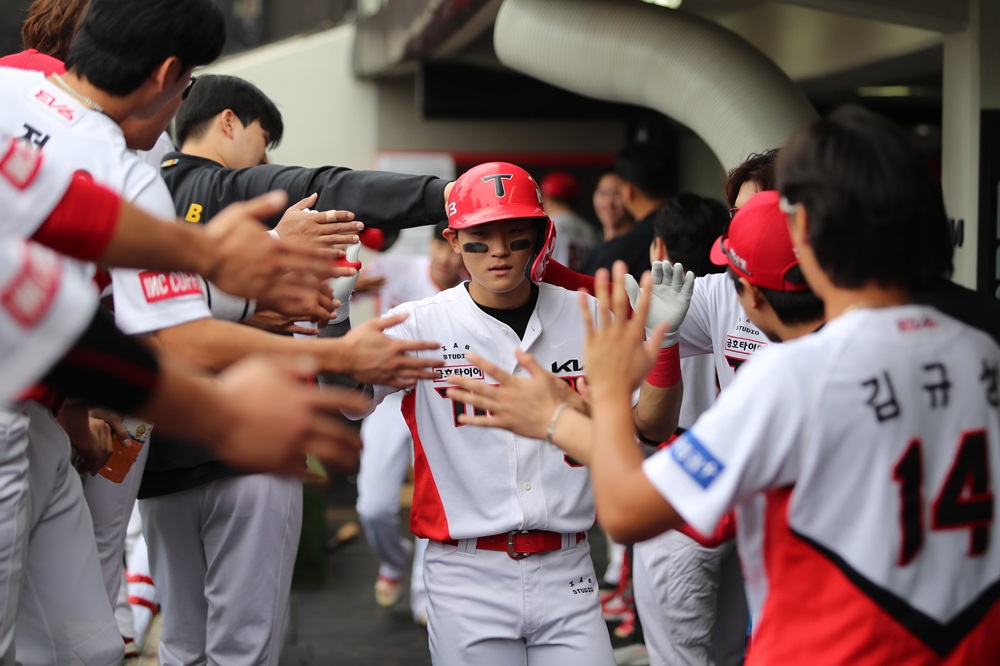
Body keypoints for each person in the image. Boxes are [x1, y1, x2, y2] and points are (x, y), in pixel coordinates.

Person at [350, 161, 679, 666]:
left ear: (540, 234)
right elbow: (350, 401)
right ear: (454, 240)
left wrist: (666, 343)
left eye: (515, 234)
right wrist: (332, 325)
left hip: (567, 563)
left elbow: (650, 426)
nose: (500, 250)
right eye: (482, 235)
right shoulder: (419, 324)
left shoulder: (588, 313)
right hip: (466, 572)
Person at [355, 221, 465, 624]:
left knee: (436, 496)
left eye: (456, 249)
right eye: (443, 245)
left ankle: (424, 595)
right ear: (436, 245)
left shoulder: (474, 286)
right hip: (389, 395)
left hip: (438, 398)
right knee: (373, 507)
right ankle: (393, 561)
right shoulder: (397, 267)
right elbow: (342, 291)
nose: (448, 257)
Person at [581, 143, 675, 277]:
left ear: (628, 189)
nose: (609, 203)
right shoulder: (681, 222)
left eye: (616, 192)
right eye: (602, 193)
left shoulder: (629, 245)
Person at [540, 170, 598, 272]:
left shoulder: (545, 227)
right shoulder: (591, 230)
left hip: (556, 285)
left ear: (548, 199)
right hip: (585, 285)